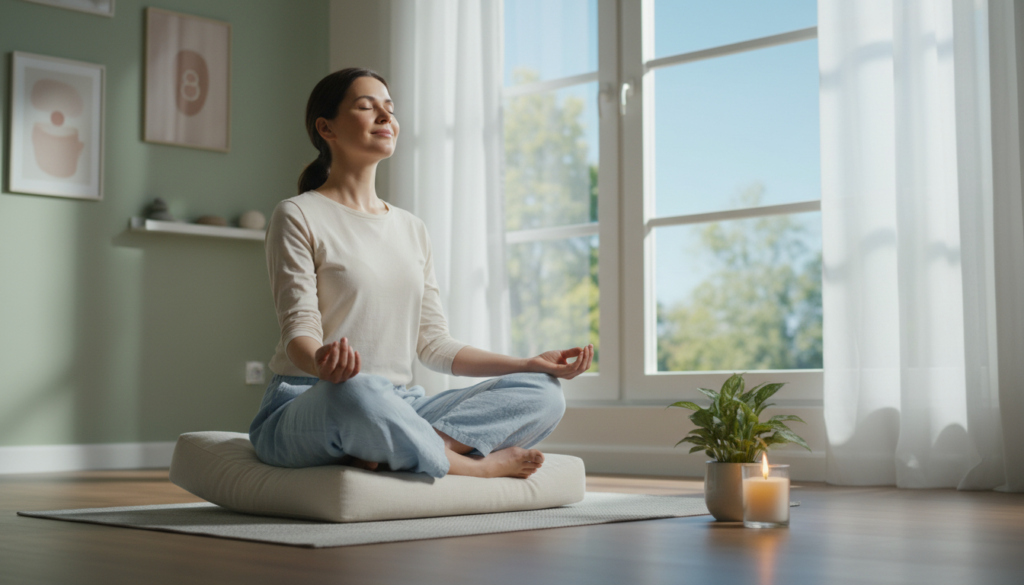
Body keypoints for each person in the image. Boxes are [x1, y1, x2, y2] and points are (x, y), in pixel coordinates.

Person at [248, 68, 594, 480]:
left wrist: (527, 363)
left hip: (400, 404)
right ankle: (468, 467)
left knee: (542, 393)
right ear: (326, 128)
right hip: (316, 400)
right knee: (357, 391)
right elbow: (299, 326)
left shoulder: (411, 228)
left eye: (389, 109)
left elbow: (435, 345)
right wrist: (321, 363)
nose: (384, 117)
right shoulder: (298, 214)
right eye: (365, 106)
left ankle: (395, 445)